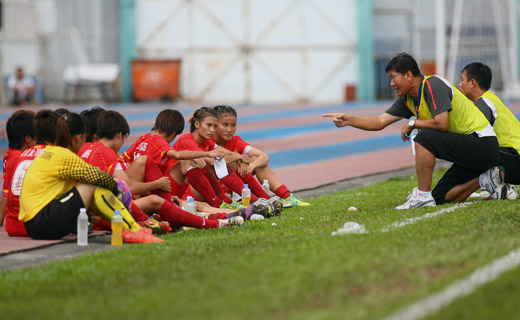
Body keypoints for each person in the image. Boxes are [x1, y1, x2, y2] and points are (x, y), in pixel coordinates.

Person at [323, 52, 503, 209]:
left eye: (394, 77)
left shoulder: (433, 84)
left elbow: (441, 124)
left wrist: (412, 124)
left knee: (423, 137)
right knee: (440, 197)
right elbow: (379, 121)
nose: (392, 83)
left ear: (408, 75)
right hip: (471, 150)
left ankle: (422, 196)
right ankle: (485, 178)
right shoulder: (408, 99)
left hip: (483, 144)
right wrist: (349, 120)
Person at [80, 110, 244, 229]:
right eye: (210, 125)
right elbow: (180, 156)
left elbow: (126, 166)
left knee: (194, 201)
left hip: (130, 196)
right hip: (139, 196)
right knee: (190, 166)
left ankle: (228, 210)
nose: (212, 130)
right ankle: (222, 210)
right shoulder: (159, 141)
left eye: (214, 126)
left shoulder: (142, 138)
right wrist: (157, 184)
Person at [18, 110, 162, 243]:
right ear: (78, 138)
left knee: (88, 185)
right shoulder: (63, 156)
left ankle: (131, 228)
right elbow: (97, 176)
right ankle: (132, 229)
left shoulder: (50, 152)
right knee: (93, 184)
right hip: (44, 222)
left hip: (34, 224)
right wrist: (117, 190)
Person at [212, 105, 310, 207]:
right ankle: (262, 199)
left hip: (237, 185)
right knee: (231, 162)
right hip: (215, 186)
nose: (229, 129)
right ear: (214, 125)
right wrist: (239, 158)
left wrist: (251, 166)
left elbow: (264, 157)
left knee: (256, 161)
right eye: (225, 125)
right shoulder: (208, 141)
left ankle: (287, 197)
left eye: (233, 125)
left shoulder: (235, 141)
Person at [449, 62, 520, 201]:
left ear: (472, 83)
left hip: (515, 160)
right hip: (513, 158)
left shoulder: (484, 103)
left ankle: (492, 183)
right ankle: (499, 186)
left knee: (476, 150)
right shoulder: (490, 99)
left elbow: (473, 139)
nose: (459, 84)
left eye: (462, 80)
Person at [0, 110, 36, 235]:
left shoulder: (10, 154)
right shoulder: (20, 159)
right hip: (23, 224)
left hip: (14, 223)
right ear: (28, 139)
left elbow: (5, 192)